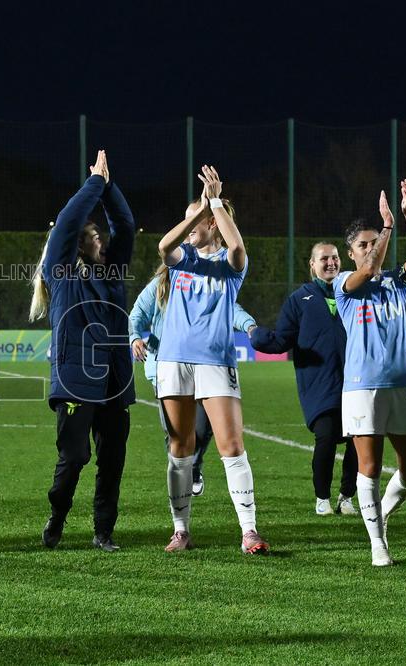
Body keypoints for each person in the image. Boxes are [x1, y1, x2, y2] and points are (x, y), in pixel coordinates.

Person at [156, 165, 269, 555]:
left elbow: (237, 249)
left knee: (231, 445)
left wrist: (214, 203)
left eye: (198, 219)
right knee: (180, 446)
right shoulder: (182, 258)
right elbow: (162, 247)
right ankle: (181, 531)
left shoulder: (230, 265)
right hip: (173, 361)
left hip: (216, 362)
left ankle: (249, 532)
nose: (191, 224)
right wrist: (198, 209)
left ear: (214, 224)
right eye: (190, 218)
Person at [30, 150, 136, 552]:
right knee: (74, 458)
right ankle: (57, 516)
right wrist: (94, 181)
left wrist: (108, 187)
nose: (101, 241)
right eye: (94, 237)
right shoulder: (59, 272)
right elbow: (70, 221)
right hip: (75, 380)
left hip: (113, 381)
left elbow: (124, 224)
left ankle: (103, 532)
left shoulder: (111, 274)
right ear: (77, 245)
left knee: (112, 462)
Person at [334, 180, 406, 567]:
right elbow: (371, 265)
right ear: (350, 252)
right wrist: (386, 227)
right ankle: (378, 545)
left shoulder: (395, 283)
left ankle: (381, 514)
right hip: (362, 388)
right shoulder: (344, 285)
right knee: (369, 467)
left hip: (402, 384)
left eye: (374, 241)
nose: (370, 249)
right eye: (363, 244)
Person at [129, 264, 258, 497]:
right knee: (176, 434)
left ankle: (194, 466)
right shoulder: (160, 285)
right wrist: (135, 337)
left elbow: (230, 307)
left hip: (205, 364)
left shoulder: (205, 282)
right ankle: (181, 478)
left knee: (203, 426)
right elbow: (138, 313)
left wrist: (249, 325)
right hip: (166, 368)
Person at [251, 243, 359, 516]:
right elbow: (282, 339)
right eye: (324, 259)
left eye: (334, 258)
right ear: (312, 265)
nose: (331, 263)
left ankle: (347, 496)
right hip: (318, 383)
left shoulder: (355, 293)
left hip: (356, 381)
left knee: (359, 440)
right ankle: (322, 497)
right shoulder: (299, 299)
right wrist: (257, 335)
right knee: (325, 437)